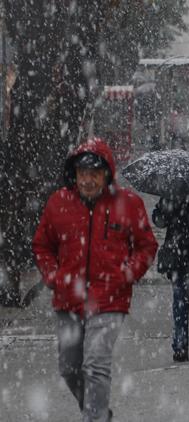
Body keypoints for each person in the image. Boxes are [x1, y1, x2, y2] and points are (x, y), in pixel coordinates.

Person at [32, 138, 158, 422]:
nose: (87, 180)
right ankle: (97, 410)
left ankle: (95, 418)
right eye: (82, 174)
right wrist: (53, 275)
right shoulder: (58, 203)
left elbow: (146, 245)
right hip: (67, 299)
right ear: (74, 175)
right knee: (69, 368)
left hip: (110, 299)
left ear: (106, 174)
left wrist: (127, 274)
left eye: (94, 174)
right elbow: (42, 245)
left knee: (96, 365)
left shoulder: (128, 203)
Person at [152, 191, 189, 362]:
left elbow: (160, 220)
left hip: (178, 253)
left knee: (180, 302)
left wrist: (162, 212)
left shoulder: (171, 192)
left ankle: (180, 346)